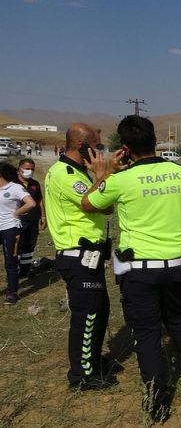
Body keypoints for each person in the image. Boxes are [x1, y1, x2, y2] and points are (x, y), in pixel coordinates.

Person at [82, 115, 181, 422]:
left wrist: (103, 173)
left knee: (148, 333)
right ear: (154, 140)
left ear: (125, 148)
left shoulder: (120, 180)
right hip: (177, 265)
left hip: (139, 271)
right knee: (177, 318)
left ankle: (158, 401)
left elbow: (88, 204)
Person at [44, 123, 113, 390]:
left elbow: (105, 207)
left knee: (100, 311)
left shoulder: (80, 173)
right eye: (97, 146)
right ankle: (82, 375)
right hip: (78, 256)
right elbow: (94, 203)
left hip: (91, 256)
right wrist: (101, 177)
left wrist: (103, 177)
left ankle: (92, 361)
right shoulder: (65, 174)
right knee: (87, 316)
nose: (99, 152)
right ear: (83, 146)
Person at [0, 163, 35, 305]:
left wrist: (16, 213)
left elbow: (31, 203)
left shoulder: (15, 187)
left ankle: (12, 292)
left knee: (10, 261)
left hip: (11, 228)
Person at [17, 159, 46, 280]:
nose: (30, 171)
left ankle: (25, 270)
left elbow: (39, 201)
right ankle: (15, 270)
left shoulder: (35, 184)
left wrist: (43, 216)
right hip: (18, 221)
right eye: (27, 168)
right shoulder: (12, 183)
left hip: (33, 220)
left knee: (30, 245)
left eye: (32, 169)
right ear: (19, 168)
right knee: (18, 245)